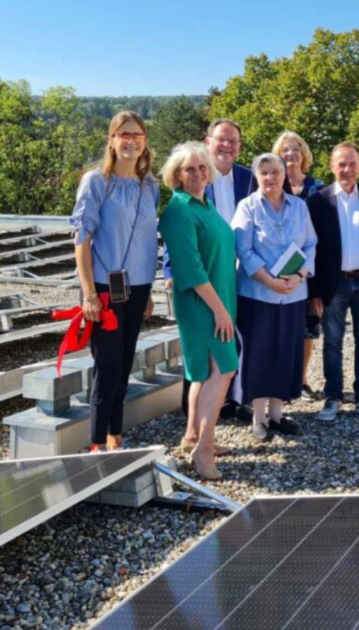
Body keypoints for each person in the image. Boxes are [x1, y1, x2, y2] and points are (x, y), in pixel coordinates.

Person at [70, 110, 159, 452]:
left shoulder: (150, 187)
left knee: (124, 367)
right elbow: (81, 240)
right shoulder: (96, 182)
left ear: (145, 141)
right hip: (104, 290)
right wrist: (89, 293)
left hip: (136, 289)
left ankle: (115, 439)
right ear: (111, 139)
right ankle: (95, 444)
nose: (131, 141)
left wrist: (148, 291)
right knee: (106, 369)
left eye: (137, 135)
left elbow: (146, 242)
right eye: (124, 134)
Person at [163, 118, 252, 424]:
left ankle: (196, 434)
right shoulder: (184, 204)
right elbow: (182, 248)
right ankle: (200, 436)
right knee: (207, 366)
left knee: (212, 366)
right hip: (202, 291)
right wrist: (170, 271)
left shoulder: (244, 180)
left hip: (228, 282)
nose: (227, 145)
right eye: (221, 140)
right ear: (209, 141)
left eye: (233, 141)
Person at [159, 142, 238, 480]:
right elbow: (190, 270)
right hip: (203, 304)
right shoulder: (179, 210)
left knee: (204, 373)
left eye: (202, 168)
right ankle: (203, 453)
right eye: (190, 169)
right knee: (223, 370)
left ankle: (193, 435)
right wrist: (220, 312)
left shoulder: (204, 205)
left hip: (218, 299)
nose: (198, 174)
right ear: (176, 175)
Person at [232, 153, 317, 441]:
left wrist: (300, 274)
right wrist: (269, 281)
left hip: (293, 294)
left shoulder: (299, 206)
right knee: (259, 355)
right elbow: (243, 251)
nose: (271, 178)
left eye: (275, 172)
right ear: (257, 177)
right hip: (257, 294)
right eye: (264, 173)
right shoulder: (247, 207)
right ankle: (258, 418)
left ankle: (278, 415)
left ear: (284, 174)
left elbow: (311, 243)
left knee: (284, 353)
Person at [308, 142, 359, 423]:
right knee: (332, 342)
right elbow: (313, 249)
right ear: (331, 166)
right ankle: (333, 397)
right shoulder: (318, 201)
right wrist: (314, 291)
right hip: (334, 285)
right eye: (341, 164)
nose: (347, 169)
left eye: (353, 163)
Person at [271, 131, 325, 402]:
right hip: (273, 272)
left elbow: (324, 234)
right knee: (277, 328)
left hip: (308, 270)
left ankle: (302, 380)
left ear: (304, 154)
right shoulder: (269, 186)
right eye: (285, 150)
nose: (290, 154)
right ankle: (278, 381)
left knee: (307, 329)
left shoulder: (318, 189)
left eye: (295, 149)